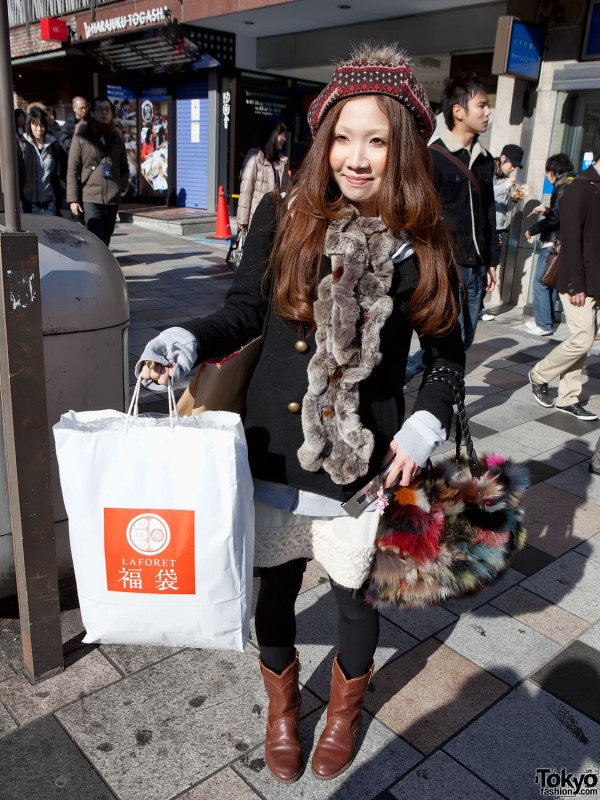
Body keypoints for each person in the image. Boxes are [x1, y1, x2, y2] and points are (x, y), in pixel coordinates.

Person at [138, 43, 465, 784]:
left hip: (362, 462)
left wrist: (421, 426)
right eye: (344, 136)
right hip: (274, 448)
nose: (357, 157)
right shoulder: (282, 215)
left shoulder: (419, 242)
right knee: (275, 590)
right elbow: (244, 310)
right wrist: (186, 338)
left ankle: (345, 709)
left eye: (377, 139)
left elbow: (449, 358)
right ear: (323, 138)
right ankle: (282, 709)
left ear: (402, 146)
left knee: (353, 596)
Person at [404, 73, 499, 382]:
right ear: (459, 111)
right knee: (450, 344)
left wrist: (492, 260)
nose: (488, 113)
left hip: (476, 266)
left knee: (466, 339)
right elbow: (421, 215)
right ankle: (433, 394)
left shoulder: (485, 161)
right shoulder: (433, 158)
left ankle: (405, 371)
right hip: (448, 266)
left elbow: (488, 212)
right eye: (482, 105)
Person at [528, 132, 600, 421]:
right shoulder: (580, 188)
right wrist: (574, 284)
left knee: (582, 341)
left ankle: (568, 397)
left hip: (595, 281)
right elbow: (570, 240)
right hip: (577, 281)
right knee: (582, 340)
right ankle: (538, 373)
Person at [67, 96, 129, 246]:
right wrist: (73, 199)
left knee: (107, 236)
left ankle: (103, 265)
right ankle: (99, 267)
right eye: (99, 109)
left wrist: (122, 185)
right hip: (90, 195)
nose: (104, 113)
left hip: (112, 195)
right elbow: (73, 167)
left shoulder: (116, 136)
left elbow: (124, 165)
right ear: (93, 113)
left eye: (107, 109)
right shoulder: (82, 135)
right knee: (97, 236)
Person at [524, 153, 575, 336]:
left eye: (547, 171)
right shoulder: (572, 184)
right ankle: (545, 320)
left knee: (540, 282)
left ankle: (544, 324)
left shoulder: (561, 187)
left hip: (553, 243)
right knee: (550, 280)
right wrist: (546, 210)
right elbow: (560, 214)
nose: (546, 175)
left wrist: (533, 229)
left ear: (555, 170)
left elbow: (556, 220)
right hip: (563, 242)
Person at [480, 144, 525, 320]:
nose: (513, 169)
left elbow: (503, 207)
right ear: (503, 158)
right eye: (512, 164)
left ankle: (478, 307)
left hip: (498, 228)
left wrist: (513, 201)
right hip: (484, 228)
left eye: (516, 167)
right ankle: (476, 309)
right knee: (484, 265)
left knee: (492, 265)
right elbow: (484, 194)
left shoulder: (503, 176)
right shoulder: (488, 169)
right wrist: (504, 186)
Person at [236, 121, 290, 231]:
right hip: (258, 218)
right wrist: (242, 220)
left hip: (275, 219)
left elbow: (286, 190)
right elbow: (246, 189)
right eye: (281, 134)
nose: (284, 139)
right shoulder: (256, 157)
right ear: (273, 135)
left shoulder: (282, 162)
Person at [20, 106, 62, 215]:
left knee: (51, 231)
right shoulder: (22, 144)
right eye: (35, 124)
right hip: (28, 202)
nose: (39, 128)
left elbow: (59, 167)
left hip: (50, 201)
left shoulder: (52, 144)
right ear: (29, 124)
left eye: (42, 124)